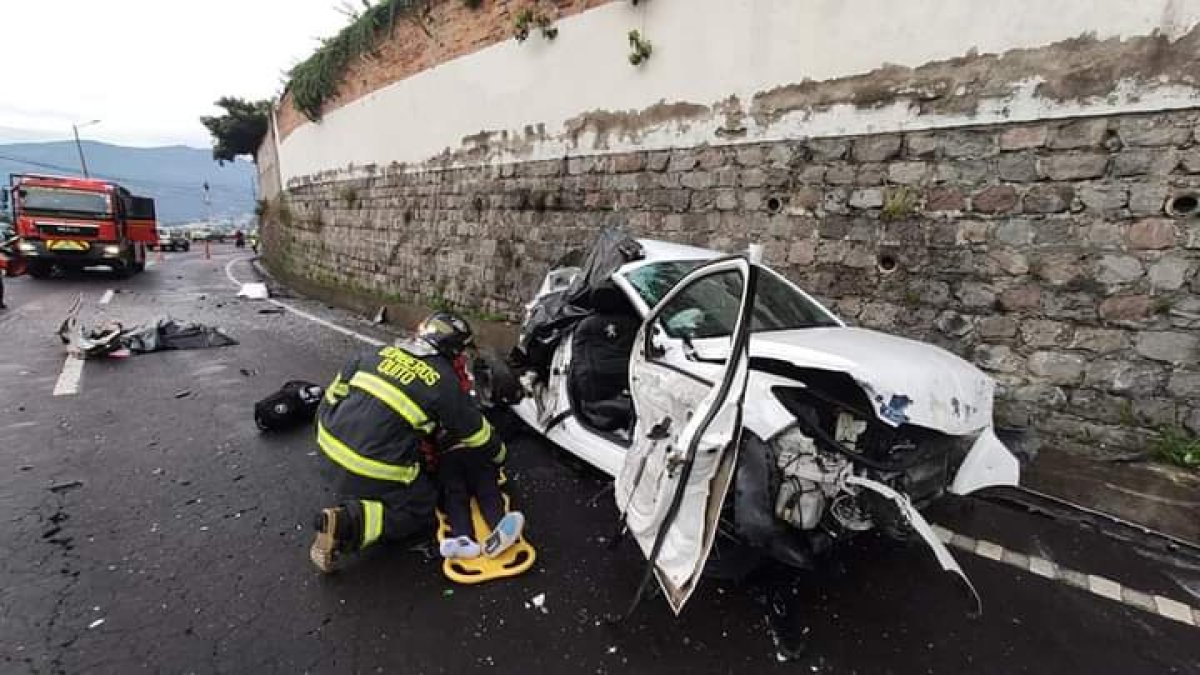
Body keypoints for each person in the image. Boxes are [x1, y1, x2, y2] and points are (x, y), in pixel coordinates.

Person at [309, 311, 523, 572]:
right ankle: (348, 523)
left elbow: (331, 399)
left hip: (325, 449)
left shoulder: (372, 354)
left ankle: (358, 491)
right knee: (421, 505)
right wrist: (501, 456)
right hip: (368, 469)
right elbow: (478, 434)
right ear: (453, 348)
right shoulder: (443, 382)